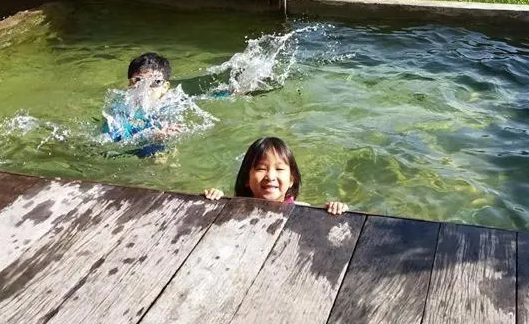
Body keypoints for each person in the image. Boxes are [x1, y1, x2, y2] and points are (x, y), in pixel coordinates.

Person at [203, 136, 347, 215]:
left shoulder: (302, 210)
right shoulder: (233, 208)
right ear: (247, 179)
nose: (270, 176)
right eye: (261, 168)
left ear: (292, 179)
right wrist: (214, 198)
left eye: (279, 169)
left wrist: (336, 209)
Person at [102, 52, 180, 157]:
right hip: (121, 153)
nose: (146, 87)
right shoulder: (120, 109)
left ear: (165, 87)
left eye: (156, 82)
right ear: (130, 83)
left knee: (167, 150)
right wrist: (151, 136)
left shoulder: (169, 107)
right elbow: (110, 142)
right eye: (139, 80)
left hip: (151, 147)